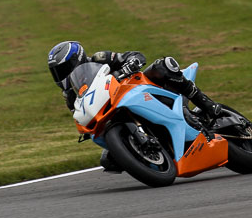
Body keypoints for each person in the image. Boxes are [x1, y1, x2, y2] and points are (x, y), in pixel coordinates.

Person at [48, 41, 222, 171]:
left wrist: (131, 64)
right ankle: (143, 153)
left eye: (63, 69)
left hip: (137, 87)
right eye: (56, 72)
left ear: (76, 60)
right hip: (111, 109)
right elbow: (79, 112)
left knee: (164, 66)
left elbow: (135, 55)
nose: (61, 75)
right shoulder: (70, 95)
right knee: (109, 161)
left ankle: (207, 105)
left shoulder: (100, 58)